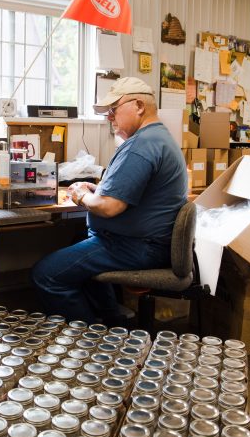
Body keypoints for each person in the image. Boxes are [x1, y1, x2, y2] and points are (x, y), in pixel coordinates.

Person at [31, 77, 188, 324]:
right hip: (142, 242)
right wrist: (98, 189)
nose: (109, 117)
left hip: (136, 246)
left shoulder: (141, 145)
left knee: (47, 275)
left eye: (114, 109)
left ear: (139, 106)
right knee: (77, 240)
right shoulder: (158, 138)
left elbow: (109, 207)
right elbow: (132, 193)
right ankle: (112, 322)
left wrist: (81, 195)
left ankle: (89, 340)